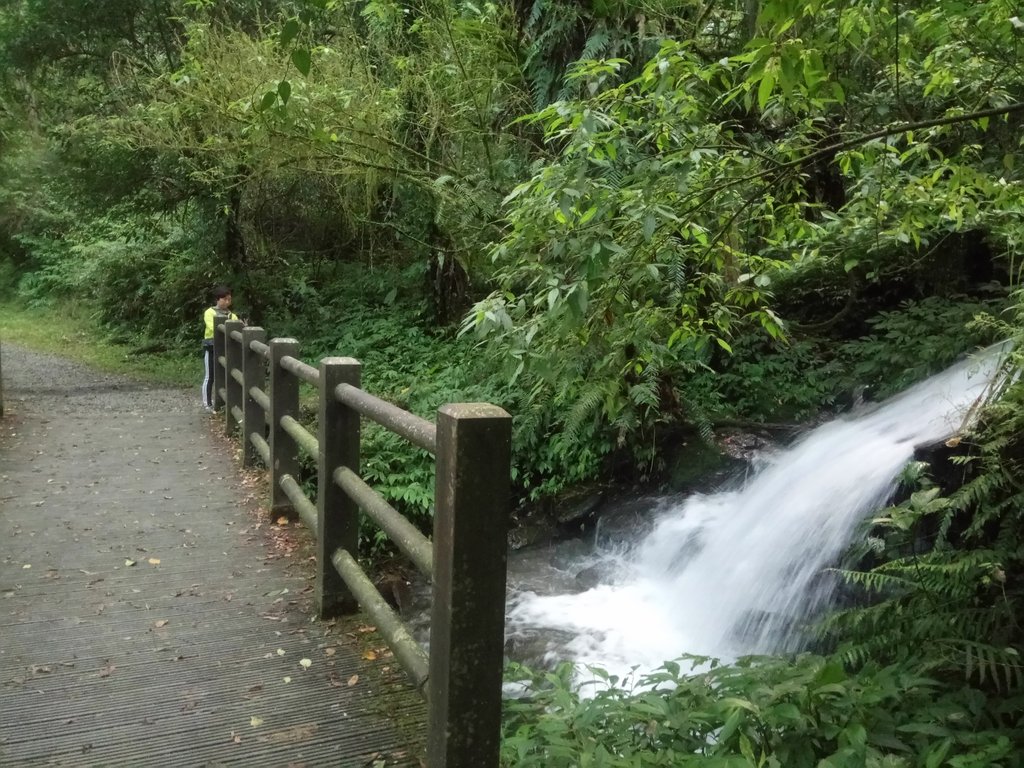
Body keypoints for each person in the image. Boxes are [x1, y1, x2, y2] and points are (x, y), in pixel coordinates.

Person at [201, 284, 239, 410]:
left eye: (229, 299)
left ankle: (226, 402)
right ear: (218, 299)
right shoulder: (209, 312)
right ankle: (207, 404)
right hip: (211, 347)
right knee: (209, 375)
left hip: (226, 348)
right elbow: (213, 327)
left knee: (227, 375)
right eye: (225, 299)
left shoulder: (232, 315)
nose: (227, 302)